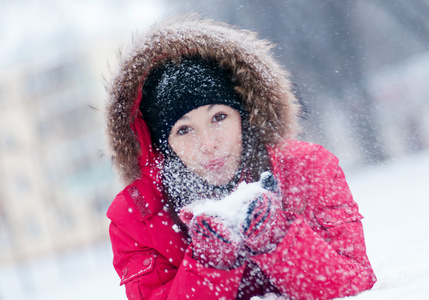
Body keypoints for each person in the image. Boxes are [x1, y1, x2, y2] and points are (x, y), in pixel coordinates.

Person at [105, 15, 376, 300]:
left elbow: (356, 283)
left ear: (244, 117)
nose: (208, 144)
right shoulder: (137, 216)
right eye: (184, 130)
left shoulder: (306, 169)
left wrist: (278, 241)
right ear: (165, 146)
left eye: (219, 117)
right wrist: (210, 264)